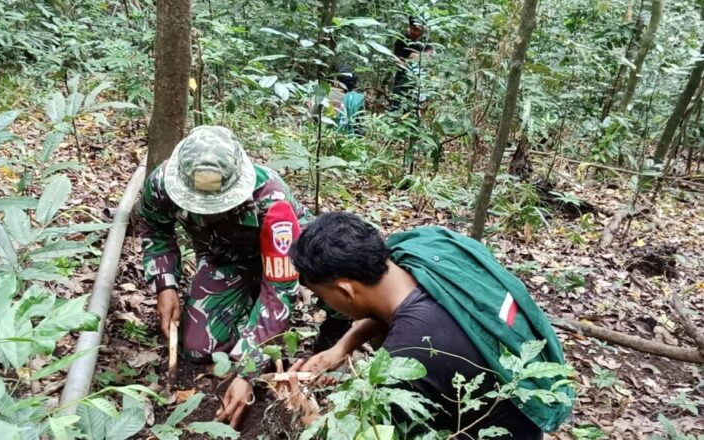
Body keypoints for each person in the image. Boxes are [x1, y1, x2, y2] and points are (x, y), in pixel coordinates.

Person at [288, 213, 574, 438]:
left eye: (321, 295)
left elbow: (367, 435)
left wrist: (304, 411)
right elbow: (381, 310)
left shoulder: (409, 355)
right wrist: (343, 346)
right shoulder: (420, 247)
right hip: (521, 401)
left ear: (345, 292)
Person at [135, 125, 313, 428]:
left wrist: (247, 371)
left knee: (332, 270)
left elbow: (280, 290)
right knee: (197, 347)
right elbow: (154, 228)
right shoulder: (163, 184)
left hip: (290, 256)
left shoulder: (271, 198)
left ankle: (331, 325)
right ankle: (246, 306)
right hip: (228, 260)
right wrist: (165, 284)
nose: (206, 214)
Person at [390, 16, 433, 112]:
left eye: (420, 30)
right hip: (403, 75)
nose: (417, 33)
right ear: (410, 27)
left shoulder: (426, 39)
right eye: (415, 30)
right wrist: (406, 65)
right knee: (397, 103)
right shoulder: (402, 39)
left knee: (418, 105)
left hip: (420, 76)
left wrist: (417, 56)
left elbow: (429, 55)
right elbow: (395, 58)